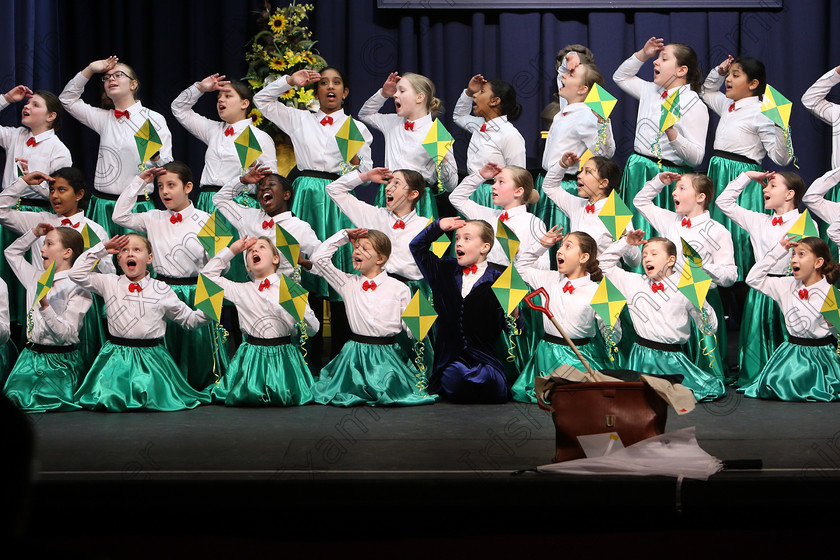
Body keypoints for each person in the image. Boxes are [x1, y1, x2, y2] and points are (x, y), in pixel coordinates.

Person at [112, 162, 228, 390]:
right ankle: (166, 387)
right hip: (162, 290)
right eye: (160, 186)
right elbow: (119, 216)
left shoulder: (209, 220)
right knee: (165, 345)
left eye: (171, 185)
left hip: (198, 289)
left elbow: (223, 264)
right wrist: (140, 181)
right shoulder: (153, 217)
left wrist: (210, 294)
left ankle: (200, 383)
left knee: (199, 348)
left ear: (188, 187)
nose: (164, 191)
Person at [69, 234, 211, 412]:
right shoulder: (109, 282)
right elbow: (75, 274)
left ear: (149, 258)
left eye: (137, 250)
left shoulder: (162, 289)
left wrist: (209, 308)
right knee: (109, 398)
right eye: (124, 251)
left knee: (152, 398)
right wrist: (102, 250)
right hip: (116, 358)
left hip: (151, 359)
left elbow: (190, 320)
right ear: (118, 258)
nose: (130, 254)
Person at [311, 228, 435, 406]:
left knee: (391, 391)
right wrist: (344, 236)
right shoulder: (347, 283)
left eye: (365, 249)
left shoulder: (400, 288)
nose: (357, 251)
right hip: (354, 356)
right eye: (356, 248)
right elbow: (318, 259)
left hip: (386, 356)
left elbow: (412, 331)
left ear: (380, 259)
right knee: (343, 390)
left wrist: (419, 326)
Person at [634, 172, 737, 382]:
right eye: (675, 189)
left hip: (701, 298)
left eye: (682, 188)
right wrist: (658, 182)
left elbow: (730, 276)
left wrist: (702, 267)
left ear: (700, 197)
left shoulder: (718, 231)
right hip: (669, 299)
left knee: (702, 365)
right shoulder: (670, 221)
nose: (674, 192)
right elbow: (640, 201)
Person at [600, 232, 725, 402]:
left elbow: (709, 328)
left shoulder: (685, 287)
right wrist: (627, 243)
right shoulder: (633, 283)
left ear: (671, 260)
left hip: (673, 361)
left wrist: (700, 302)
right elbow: (603, 265)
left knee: (701, 391)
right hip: (640, 359)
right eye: (644, 255)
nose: (646, 259)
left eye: (653, 254)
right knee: (634, 396)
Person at [59, 55, 173, 235]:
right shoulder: (104, 118)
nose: (111, 78)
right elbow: (67, 99)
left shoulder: (154, 119)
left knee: (135, 261)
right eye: (106, 77)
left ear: (133, 84)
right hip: (101, 206)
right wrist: (90, 69)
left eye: (118, 75)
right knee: (97, 260)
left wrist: (156, 156)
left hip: (136, 207)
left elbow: (167, 166)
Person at [701, 55, 791, 278]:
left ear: (753, 84)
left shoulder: (762, 111)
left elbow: (781, 158)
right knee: (716, 232)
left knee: (738, 234)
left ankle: (742, 284)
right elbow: (706, 92)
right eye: (729, 75)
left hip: (742, 176)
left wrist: (781, 126)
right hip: (718, 172)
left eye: (735, 75)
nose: (728, 80)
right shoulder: (728, 105)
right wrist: (718, 72)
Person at [202, 235, 318, 406]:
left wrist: (300, 312)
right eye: (250, 251)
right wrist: (233, 250)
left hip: (284, 359)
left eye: (262, 247)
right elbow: (207, 276)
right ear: (248, 266)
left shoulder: (291, 288)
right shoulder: (241, 290)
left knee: (286, 397)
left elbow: (313, 329)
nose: (255, 250)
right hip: (251, 359)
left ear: (275, 259)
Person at [613, 37, 709, 240]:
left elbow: (696, 158)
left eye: (663, 59)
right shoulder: (650, 90)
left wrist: (672, 134)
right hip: (637, 168)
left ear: (681, 70)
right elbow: (620, 77)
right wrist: (643, 54)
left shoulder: (694, 104)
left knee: (659, 235)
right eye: (656, 58)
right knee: (629, 228)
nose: (655, 62)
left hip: (668, 176)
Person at [717, 170, 804, 387]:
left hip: (790, 290)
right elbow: (724, 202)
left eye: (773, 186)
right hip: (760, 290)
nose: (765, 189)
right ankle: (757, 376)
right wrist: (746, 176)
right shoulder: (758, 221)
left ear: (789, 194)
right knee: (758, 340)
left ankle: (787, 380)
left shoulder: (803, 224)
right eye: (766, 186)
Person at [410, 218, 510, 403]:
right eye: (457, 239)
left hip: (485, 358)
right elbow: (417, 246)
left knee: (494, 386)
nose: (459, 243)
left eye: (467, 238)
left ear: (484, 247)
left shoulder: (501, 278)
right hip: (450, 359)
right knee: (458, 379)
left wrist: (515, 315)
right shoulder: (443, 270)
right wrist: (438, 226)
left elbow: (515, 328)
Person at [512, 230, 619, 403]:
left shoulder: (598, 291)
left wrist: (610, 321)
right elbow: (518, 269)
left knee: (585, 396)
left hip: (580, 356)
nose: (559, 251)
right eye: (560, 246)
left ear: (583, 257)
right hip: (547, 355)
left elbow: (613, 336)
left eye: (568, 246)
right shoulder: (548, 279)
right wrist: (542, 245)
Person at [741, 236, 840, 401]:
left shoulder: (832, 295)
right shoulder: (785, 285)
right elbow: (752, 279)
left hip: (822, 357)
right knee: (777, 385)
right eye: (793, 255)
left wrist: (833, 327)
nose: (793, 259)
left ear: (818, 262)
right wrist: (780, 250)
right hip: (791, 355)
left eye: (801, 254)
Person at [3, 224, 90, 412]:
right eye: (43, 244)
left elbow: (66, 335)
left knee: (54, 406)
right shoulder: (35, 278)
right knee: (13, 401)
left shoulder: (79, 288)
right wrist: (34, 233)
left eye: (49, 244)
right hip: (30, 360)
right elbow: (11, 253)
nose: (42, 249)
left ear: (67, 253)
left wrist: (45, 306)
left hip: (61, 363)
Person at [171, 73, 277, 214]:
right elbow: (179, 108)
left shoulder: (260, 137)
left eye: (228, 96)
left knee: (238, 238)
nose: (221, 100)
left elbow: (272, 181)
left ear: (244, 103)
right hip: (207, 200)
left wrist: (254, 166)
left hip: (238, 204)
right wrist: (200, 88)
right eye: (219, 97)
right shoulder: (213, 130)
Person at [359, 72, 458, 218]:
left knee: (418, 240)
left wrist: (442, 163)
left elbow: (451, 185)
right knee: (383, 240)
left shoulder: (437, 133)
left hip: (418, 200)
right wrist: (383, 93)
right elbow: (364, 114)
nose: (395, 95)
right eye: (396, 91)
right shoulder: (392, 122)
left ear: (419, 97)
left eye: (402, 91)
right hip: (388, 193)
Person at [537, 61, 615, 234]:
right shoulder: (568, 109)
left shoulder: (587, 115)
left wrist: (603, 122)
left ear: (582, 89)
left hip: (562, 186)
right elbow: (561, 74)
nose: (563, 76)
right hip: (547, 181)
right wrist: (570, 58)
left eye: (571, 75)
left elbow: (605, 153)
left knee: (558, 236)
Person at [452, 75, 525, 206]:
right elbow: (459, 116)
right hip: (471, 190)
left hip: (492, 195)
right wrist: (469, 91)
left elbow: (518, 176)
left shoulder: (510, 135)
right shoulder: (479, 124)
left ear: (494, 101)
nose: (475, 95)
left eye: (482, 91)